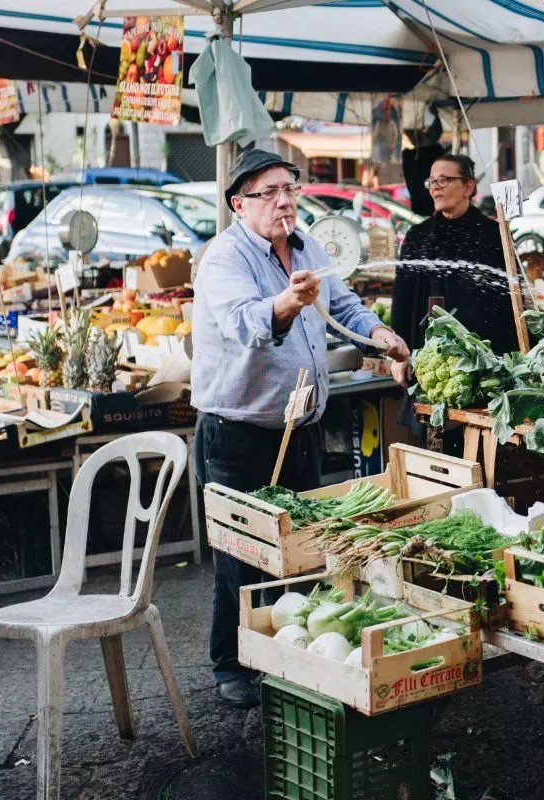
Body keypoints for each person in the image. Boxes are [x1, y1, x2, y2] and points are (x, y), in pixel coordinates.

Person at [191, 148, 409, 709]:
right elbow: (246, 325)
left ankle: (286, 655)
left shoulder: (307, 243)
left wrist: (379, 337)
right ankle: (231, 665)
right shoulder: (224, 258)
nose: (285, 200)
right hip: (239, 434)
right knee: (242, 556)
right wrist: (286, 303)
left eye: (290, 187)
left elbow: (345, 306)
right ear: (240, 203)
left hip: (301, 427)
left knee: (300, 547)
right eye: (270, 192)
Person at [390, 154, 518, 388]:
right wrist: (400, 354)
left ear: (468, 187)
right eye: (431, 182)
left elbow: (511, 302)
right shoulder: (418, 237)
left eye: (444, 180)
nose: (435, 188)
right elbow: (402, 300)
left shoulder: (494, 235)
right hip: (430, 362)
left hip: (485, 363)